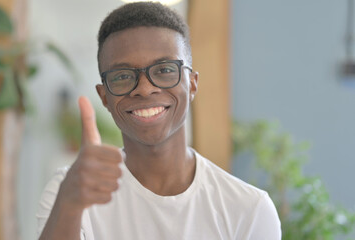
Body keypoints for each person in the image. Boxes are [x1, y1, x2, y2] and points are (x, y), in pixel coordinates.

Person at [37, 2, 281, 240]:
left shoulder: (249, 209)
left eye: (164, 70)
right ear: (104, 97)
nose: (144, 89)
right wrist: (69, 205)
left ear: (192, 83)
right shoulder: (68, 193)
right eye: (122, 76)